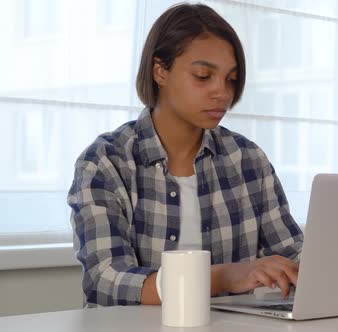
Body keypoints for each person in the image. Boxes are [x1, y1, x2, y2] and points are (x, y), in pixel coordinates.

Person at [67, 3, 303, 308]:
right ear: (160, 71)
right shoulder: (105, 163)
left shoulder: (248, 160)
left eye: (231, 79)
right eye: (204, 76)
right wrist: (224, 277)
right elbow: (108, 280)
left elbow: (291, 254)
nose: (223, 92)